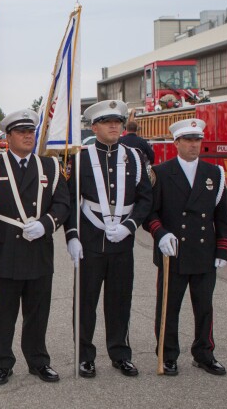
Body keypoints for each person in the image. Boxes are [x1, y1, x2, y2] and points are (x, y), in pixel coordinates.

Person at [64, 100, 152, 378]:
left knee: (120, 300)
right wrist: (72, 235)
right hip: (90, 240)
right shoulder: (80, 157)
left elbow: (145, 198)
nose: (115, 126)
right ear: (94, 126)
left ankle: (120, 353)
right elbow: (69, 200)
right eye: (107, 122)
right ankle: (84, 355)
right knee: (86, 302)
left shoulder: (135, 157)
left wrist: (130, 225)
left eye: (118, 121)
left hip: (122, 241)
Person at [0, 110, 71, 385]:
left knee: (37, 312)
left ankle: (38, 360)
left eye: (30, 132)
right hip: (7, 251)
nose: (27, 136)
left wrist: (47, 224)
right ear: (8, 136)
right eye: (21, 132)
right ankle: (1, 362)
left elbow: (63, 204)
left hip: (38, 249)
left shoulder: (49, 167)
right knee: (4, 313)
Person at [144, 118, 227, 376]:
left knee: (204, 307)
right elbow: (150, 214)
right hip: (174, 253)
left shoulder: (214, 173)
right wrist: (160, 234)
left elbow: (221, 215)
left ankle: (204, 353)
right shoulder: (160, 172)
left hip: (204, 252)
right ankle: (168, 354)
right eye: (189, 140)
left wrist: (223, 249)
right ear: (176, 143)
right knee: (169, 307)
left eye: (198, 140)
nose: (194, 145)